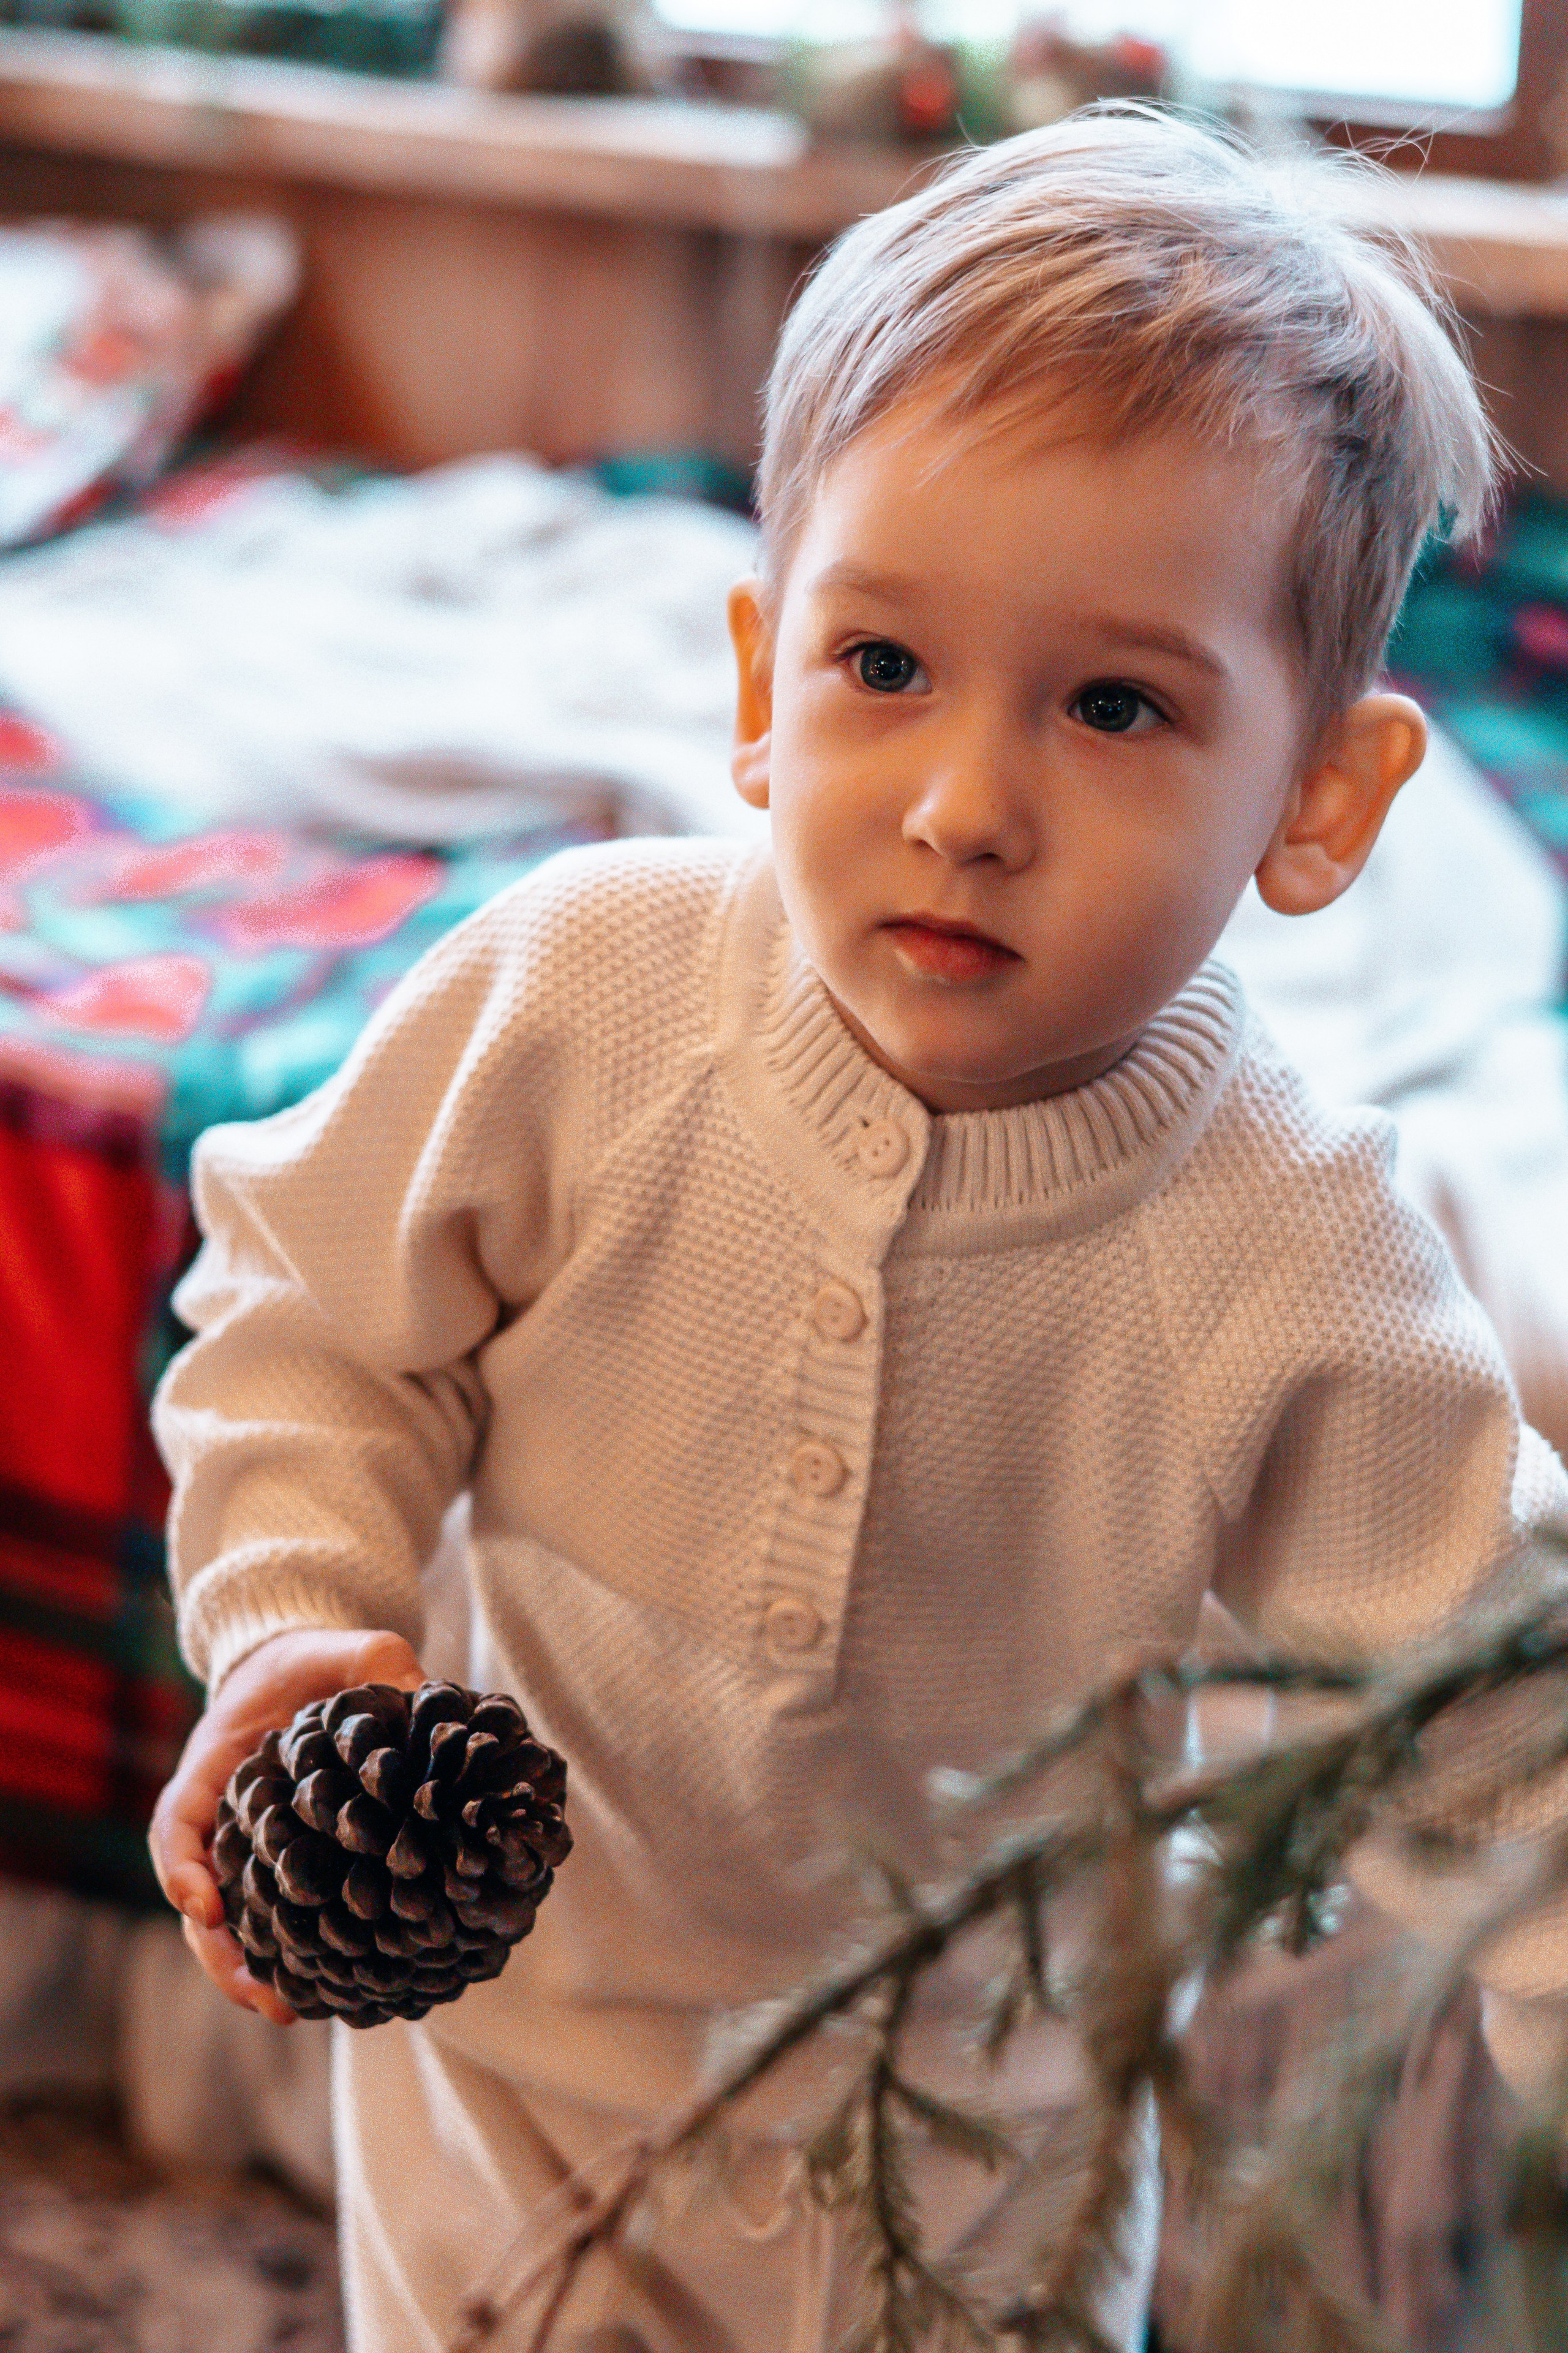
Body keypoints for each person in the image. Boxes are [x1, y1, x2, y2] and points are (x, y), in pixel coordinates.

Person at [148, 108, 1568, 2353]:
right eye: (881, 666)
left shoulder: (1299, 1255)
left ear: (1319, 799)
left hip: (972, 2185)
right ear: (753, 679)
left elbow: (1510, 1739)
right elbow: (309, 1321)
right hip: (496, 2089)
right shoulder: (573, 992)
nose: (964, 805)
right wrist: (295, 1619)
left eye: (1116, 705)